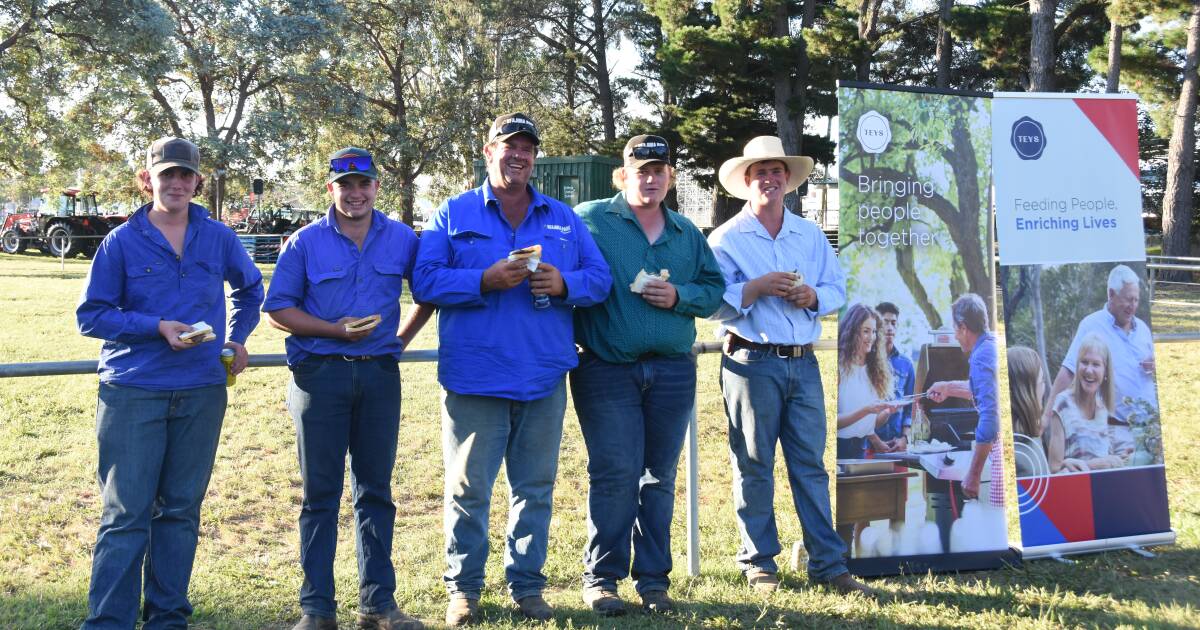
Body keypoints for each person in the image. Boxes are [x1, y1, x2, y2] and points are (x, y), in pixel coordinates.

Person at [412, 113, 611, 626]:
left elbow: (600, 280)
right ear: (488, 151)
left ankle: (527, 586)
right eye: (508, 145)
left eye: (527, 147)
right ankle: (464, 590)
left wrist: (564, 284)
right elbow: (425, 281)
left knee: (535, 489)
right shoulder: (453, 214)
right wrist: (483, 279)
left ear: (534, 157)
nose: (518, 155)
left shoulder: (563, 217)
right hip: (475, 377)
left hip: (544, 377)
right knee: (468, 490)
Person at [76, 136, 264, 629]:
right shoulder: (120, 241)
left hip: (202, 388)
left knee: (180, 510)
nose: (177, 183)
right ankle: (109, 622)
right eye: (167, 175)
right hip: (134, 391)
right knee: (126, 514)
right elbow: (91, 315)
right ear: (147, 181)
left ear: (197, 182)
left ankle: (167, 618)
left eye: (186, 175)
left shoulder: (219, 236)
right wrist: (154, 326)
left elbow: (250, 288)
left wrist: (236, 339)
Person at [263, 148, 434, 630]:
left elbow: (428, 293)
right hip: (320, 375)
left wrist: (399, 341)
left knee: (376, 492)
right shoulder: (304, 242)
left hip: (379, 374)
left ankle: (379, 605)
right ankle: (316, 609)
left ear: (377, 187)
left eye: (364, 184)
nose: (355, 194)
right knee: (320, 494)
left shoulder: (402, 238)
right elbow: (278, 309)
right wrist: (335, 330)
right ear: (330, 189)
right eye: (345, 185)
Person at [707, 135, 873, 596]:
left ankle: (828, 563)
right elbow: (711, 303)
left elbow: (838, 288)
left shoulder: (810, 234)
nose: (769, 178)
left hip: (802, 365)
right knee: (754, 464)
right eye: (760, 171)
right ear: (746, 181)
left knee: (810, 466)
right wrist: (756, 287)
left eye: (776, 171)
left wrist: (814, 297)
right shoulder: (725, 239)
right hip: (751, 361)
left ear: (788, 180)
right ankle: (759, 562)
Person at [570, 135, 724, 616]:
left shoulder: (686, 233)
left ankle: (654, 581)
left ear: (670, 177)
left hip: (673, 369)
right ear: (623, 175)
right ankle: (602, 579)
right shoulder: (590, 220)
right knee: (615, 475)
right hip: (606, 369)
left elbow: (715, 289)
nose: (651, 178)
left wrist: (680, 296)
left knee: (659, 477)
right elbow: (566, 275)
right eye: (641, 169)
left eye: (659, 170)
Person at [1046, 264, 1157, 423]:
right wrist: (1048, 414)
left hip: (1150, 427)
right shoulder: (1091, 325)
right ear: (1111, 294)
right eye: (1128, 299)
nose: (1133, 306)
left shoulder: (1143, 329)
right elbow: (1069, 371)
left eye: (1136, 300)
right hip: (1114, 428)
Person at [926, 294, 1002, 505]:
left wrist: (973, 474)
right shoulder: (990, 346)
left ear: (963, 327)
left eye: (955, 329)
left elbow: (990, 416)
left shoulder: (981, 355)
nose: (956, 336)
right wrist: (948, 388)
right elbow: (982, 389)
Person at [1045, 335, 1130, 472]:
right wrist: (1095, 465)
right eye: (1084, 362)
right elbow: (1054, 468)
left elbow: (1108, 459)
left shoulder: (1104, 410)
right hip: (1074, 490)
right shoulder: (1062, 404)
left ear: (1105, 372)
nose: (1089, 370)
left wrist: (1123, 458)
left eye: (1096, 364)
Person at [835, 303, 896, 459]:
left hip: (860, 449)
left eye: (874, 331)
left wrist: (888, 411)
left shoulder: (874, 370)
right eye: (866, 331)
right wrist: (867, 409)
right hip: (836, 450)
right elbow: (830, 422)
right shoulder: (838, 367)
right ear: (852, 332)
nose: (872, 337)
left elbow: (871, 423)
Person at [872, 302, 914, 453]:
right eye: (885, 322)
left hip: (898, 447)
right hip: (870, 446)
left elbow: (910, 407)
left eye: (893, 323)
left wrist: (905, 438)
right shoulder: (866, 361)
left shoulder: (906, 364)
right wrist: (876, 441)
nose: (889, 327)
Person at [1008, 346, 1051, 477]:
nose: (1044, 388)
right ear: (1027, 391)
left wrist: (1061, 473)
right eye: (1042, 381)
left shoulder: (1033, 434)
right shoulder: (1013, 452)